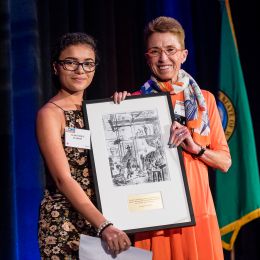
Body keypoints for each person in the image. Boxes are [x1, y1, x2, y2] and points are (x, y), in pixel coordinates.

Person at [113, 16, 231, 260]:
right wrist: (116, 110)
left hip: (198, 216)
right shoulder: (134, 101)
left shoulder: (205, 100)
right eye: (155, 51)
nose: (163, 58)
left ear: (184, 55)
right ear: (147, 57)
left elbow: (224, 162)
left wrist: (196, 148)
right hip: (154, 219)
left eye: (170, 50)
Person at [37, 32, 131, 259]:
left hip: (104, 218)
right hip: (66, 223)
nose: (80, 70)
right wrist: (103, 225)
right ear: (55, 67)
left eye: (88, 64)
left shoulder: (100, 111)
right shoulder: (50, 114)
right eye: (71, 63)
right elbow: (63, 179)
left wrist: (125, 108)